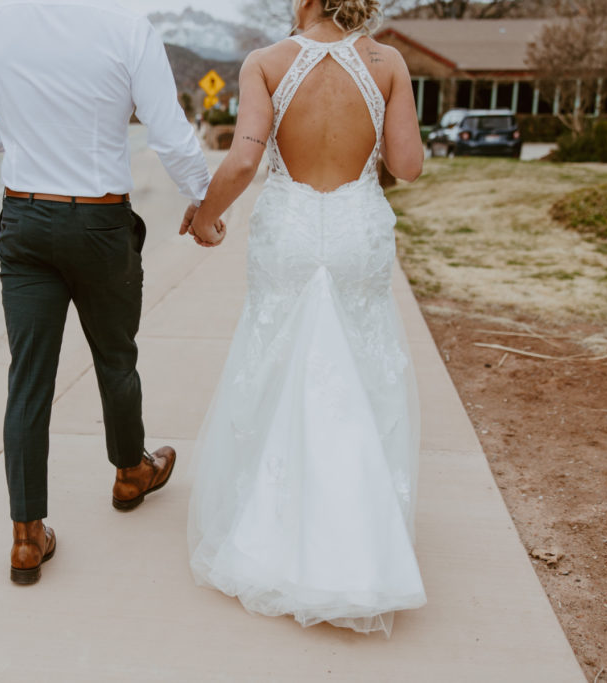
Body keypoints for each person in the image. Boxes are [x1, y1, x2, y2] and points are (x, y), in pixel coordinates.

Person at [0, 0, 224, 586]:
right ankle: (130, 473)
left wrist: (13, 141)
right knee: (116, 358)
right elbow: (169, 132)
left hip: (26, 222)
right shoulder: (126, 28)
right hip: (99, 226)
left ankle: (25, 535)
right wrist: (205, 203)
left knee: (29, 378)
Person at [184, 0, 427, 634]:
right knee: (361, 372)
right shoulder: (388, 62)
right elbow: (408, 164)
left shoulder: (266, 62)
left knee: (274, 366)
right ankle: (360, 542)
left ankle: (272, 534)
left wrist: (207, 214)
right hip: (355, 229)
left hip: (289, 231)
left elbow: (242, 161)